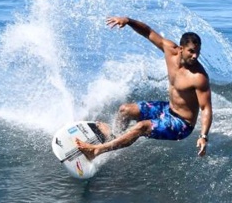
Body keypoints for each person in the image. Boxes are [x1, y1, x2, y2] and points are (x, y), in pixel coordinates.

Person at [75, 15, 213, 160]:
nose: (195, 56)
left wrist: (203, 136)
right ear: (181, 49)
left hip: (182, 124)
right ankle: (113, 138)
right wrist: (128, 21)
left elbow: (206, 108)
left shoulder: (199, 77)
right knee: (125, 110)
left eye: (198, 52)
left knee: (142, 127)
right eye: (191, 51)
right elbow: (148, 32)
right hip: (168, 109)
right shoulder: (169, 50)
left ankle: (97, 151)